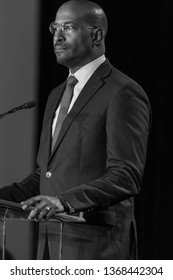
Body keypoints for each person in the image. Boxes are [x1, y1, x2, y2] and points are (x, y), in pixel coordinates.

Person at [0, 0, 151, 259]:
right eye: (54, 28)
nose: (57, 37)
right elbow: (46, 176)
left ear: (96, 35)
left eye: (68, 27)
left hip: (97, 246)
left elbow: (126, 174)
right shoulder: (57, 94)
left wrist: (65, 201)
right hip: (51, 245)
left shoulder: (122, 91)